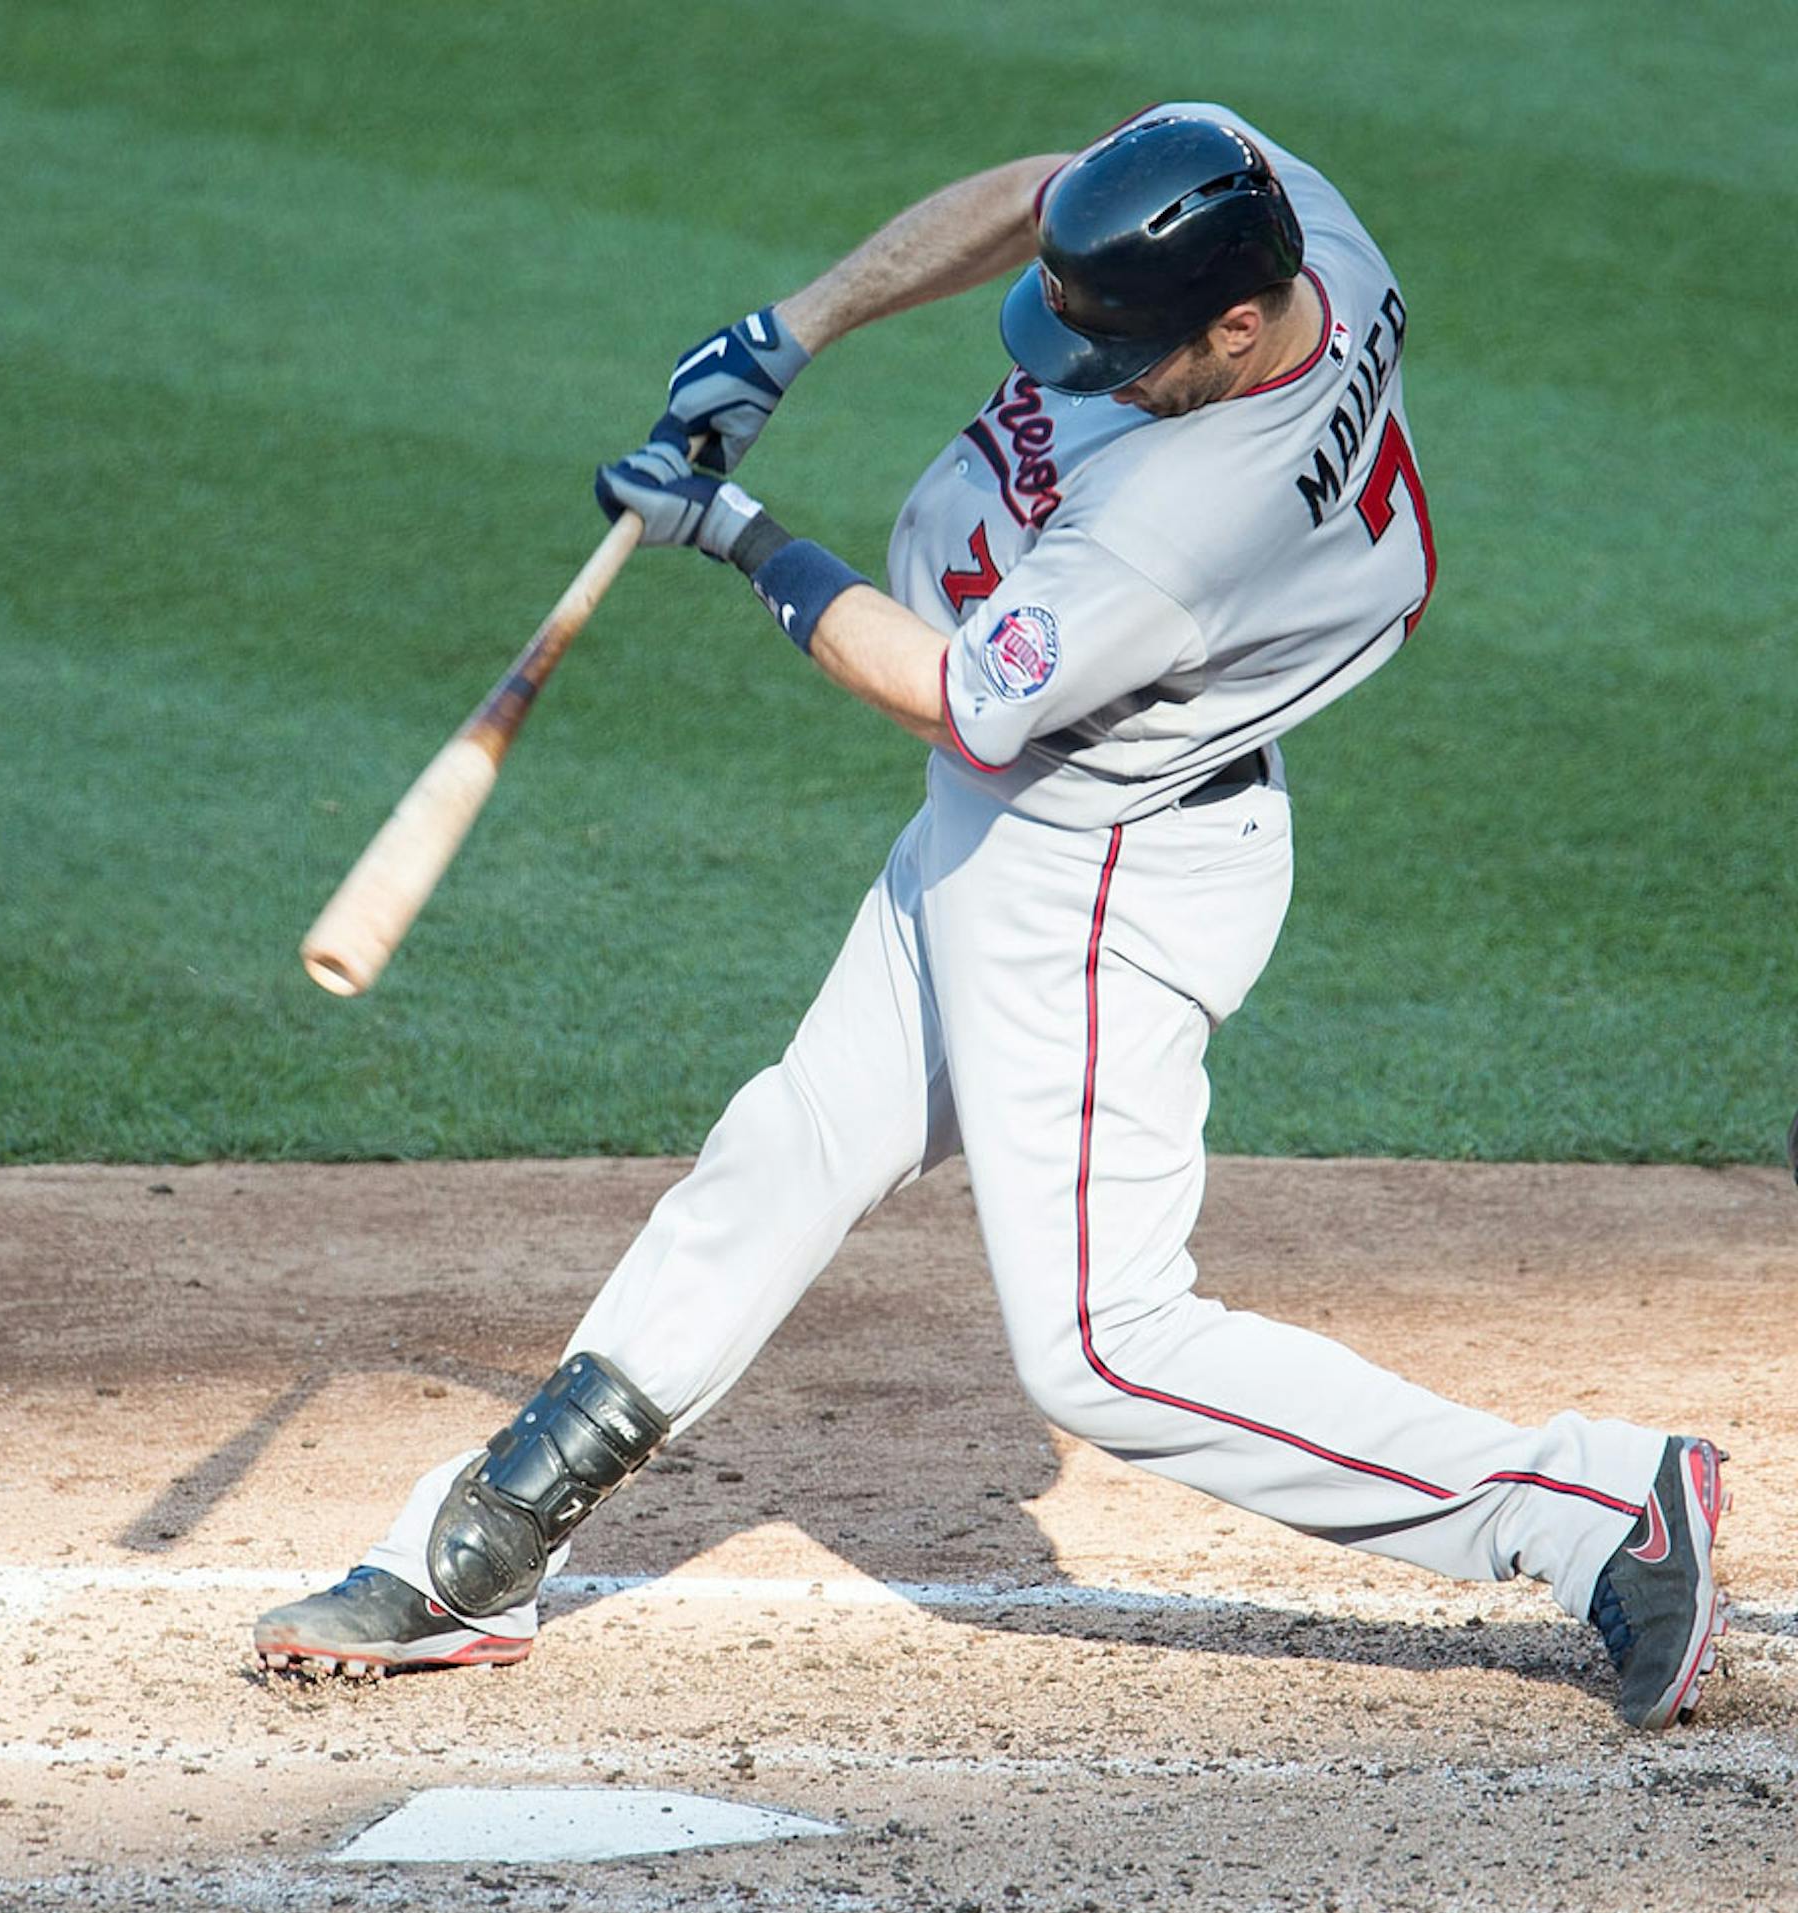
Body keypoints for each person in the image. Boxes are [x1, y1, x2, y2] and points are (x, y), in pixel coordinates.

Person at [255, 104, 1728, 1730]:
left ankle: (1594, 1505)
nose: (1079, 373)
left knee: (1103, 1348)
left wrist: (746, 541)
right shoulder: (1276, 205)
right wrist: (786, 333)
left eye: (1125, 356)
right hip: (1029, 820)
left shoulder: (1188, 526)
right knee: (799, 1137)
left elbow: (959, 697)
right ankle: (493, 1538)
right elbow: (1045, 196)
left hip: (1098, 864)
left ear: (1239, 332)